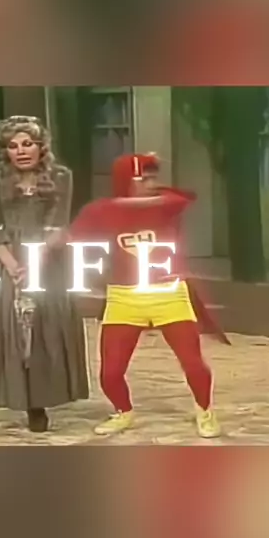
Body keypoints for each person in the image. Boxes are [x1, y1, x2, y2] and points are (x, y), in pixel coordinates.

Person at [58, 152, 228, 438]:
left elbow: (185, 197)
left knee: (193, 363)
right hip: (124, 298)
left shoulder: (166, 204)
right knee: (110, 372)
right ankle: (123, 411)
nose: (151, 184)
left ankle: (205, 410)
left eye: (153, 178)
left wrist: (122, 203)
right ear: (126, 180)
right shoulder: (100, 211)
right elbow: (72, 236)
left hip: (169, 294)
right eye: (143, 178)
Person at [0, 115, 89, 435]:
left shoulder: (61, 176)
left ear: (41, 146)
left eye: (28, 144)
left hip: (45, 259)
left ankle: (35, 404)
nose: (21, 151)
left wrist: (35, 260)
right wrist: (11, 263)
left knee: (38, 330)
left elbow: (57, 224)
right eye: (13, 146)